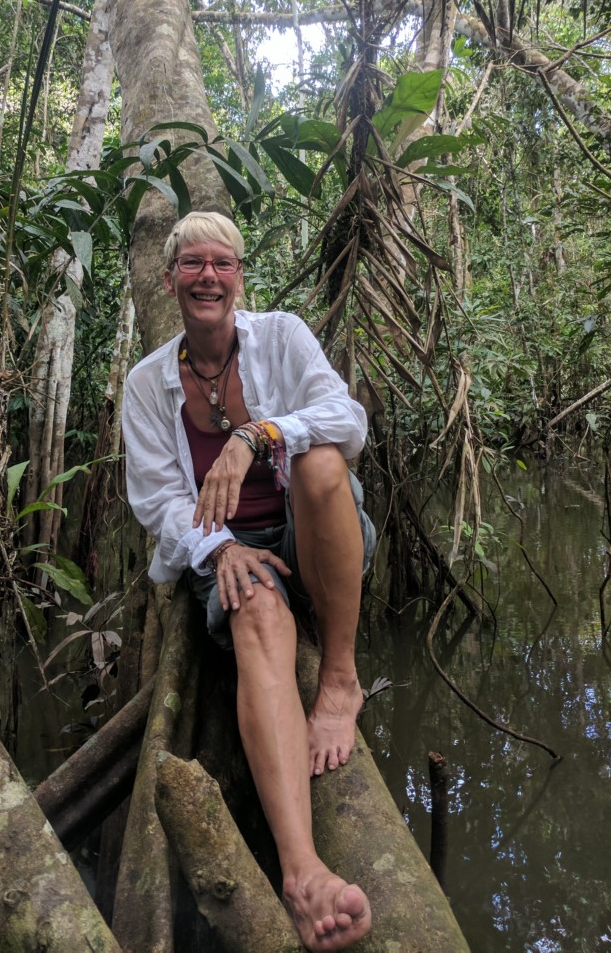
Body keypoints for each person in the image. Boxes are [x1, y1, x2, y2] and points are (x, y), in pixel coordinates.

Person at [122, 210, 374, 951]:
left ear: (240, 277)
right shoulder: (147, 384)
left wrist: (258, 433)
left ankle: (339, 680)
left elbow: (346, 418)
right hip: (231, 551)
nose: (208, 276)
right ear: (170, 280)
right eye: (192, 264)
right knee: (256, 608)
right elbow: (159, 500)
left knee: (323, 459)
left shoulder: (283, 336)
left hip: (311, 533)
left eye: (222, 264)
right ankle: (303, 876)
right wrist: (221, 549)